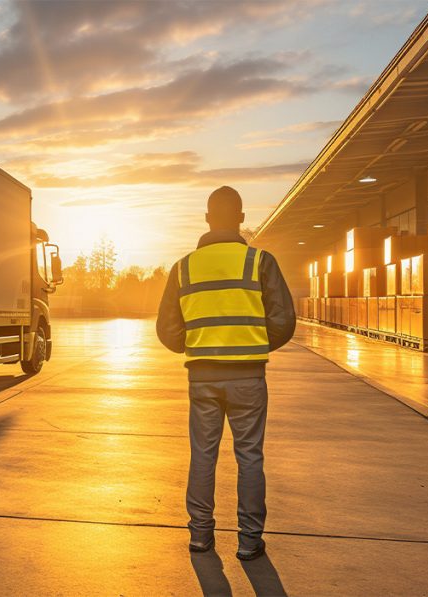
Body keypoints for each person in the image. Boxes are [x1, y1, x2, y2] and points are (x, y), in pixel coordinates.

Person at [156, 186, 295, 561]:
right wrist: (252, 343)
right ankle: (249, 541)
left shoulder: (183, 267)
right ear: (242, 219)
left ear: (206, 220)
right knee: (249, 455)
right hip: (249, 377)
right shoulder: (260, 261)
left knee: (203, 454)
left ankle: (200, 536)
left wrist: (201, 343)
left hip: (202, 377)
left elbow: (168, 332)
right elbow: (284, 322)